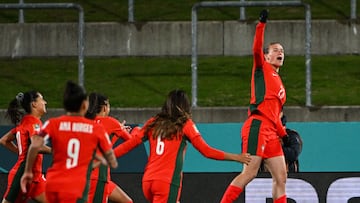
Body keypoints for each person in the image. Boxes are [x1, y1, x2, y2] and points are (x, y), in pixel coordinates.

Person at [113, 89, 252, 203]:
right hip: (166, 183)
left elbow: (129, 144)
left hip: (148, 181)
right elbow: (206, 151)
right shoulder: (185, 124)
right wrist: (236, 157)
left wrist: (108, 156)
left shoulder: (154, 122)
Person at [220, 9, 288, 203]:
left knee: (281, 177)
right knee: (249, 173)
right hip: (257, 125)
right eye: (275, 50)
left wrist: (284, 135)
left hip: (271, 130)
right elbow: (256, 49)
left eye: (282, 50)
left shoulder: (279, 82)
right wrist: (261, 25)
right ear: (266, 57)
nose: (280, 52)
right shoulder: (262, 69)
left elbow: (275, 115)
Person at [20, 80, 118, 203]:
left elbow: (34, 145)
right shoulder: (95, 128)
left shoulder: (53, 123)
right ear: (84, 106)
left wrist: (28, 171)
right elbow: (110, 158)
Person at [0, 91, 49, 203]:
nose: (45, 102)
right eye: (42, 99)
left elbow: (4, 140)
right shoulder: (34, 123)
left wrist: (21, 152)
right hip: (22, 176)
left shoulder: (25, 122)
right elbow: (37, 146)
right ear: (34, 104)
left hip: (36, 178)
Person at [85, 92, 133, 203]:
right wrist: (136, 131)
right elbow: (132, 141)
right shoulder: (111, 123)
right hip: (98, 176)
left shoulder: (85, 123)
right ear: (105, 107)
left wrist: (117, 132)